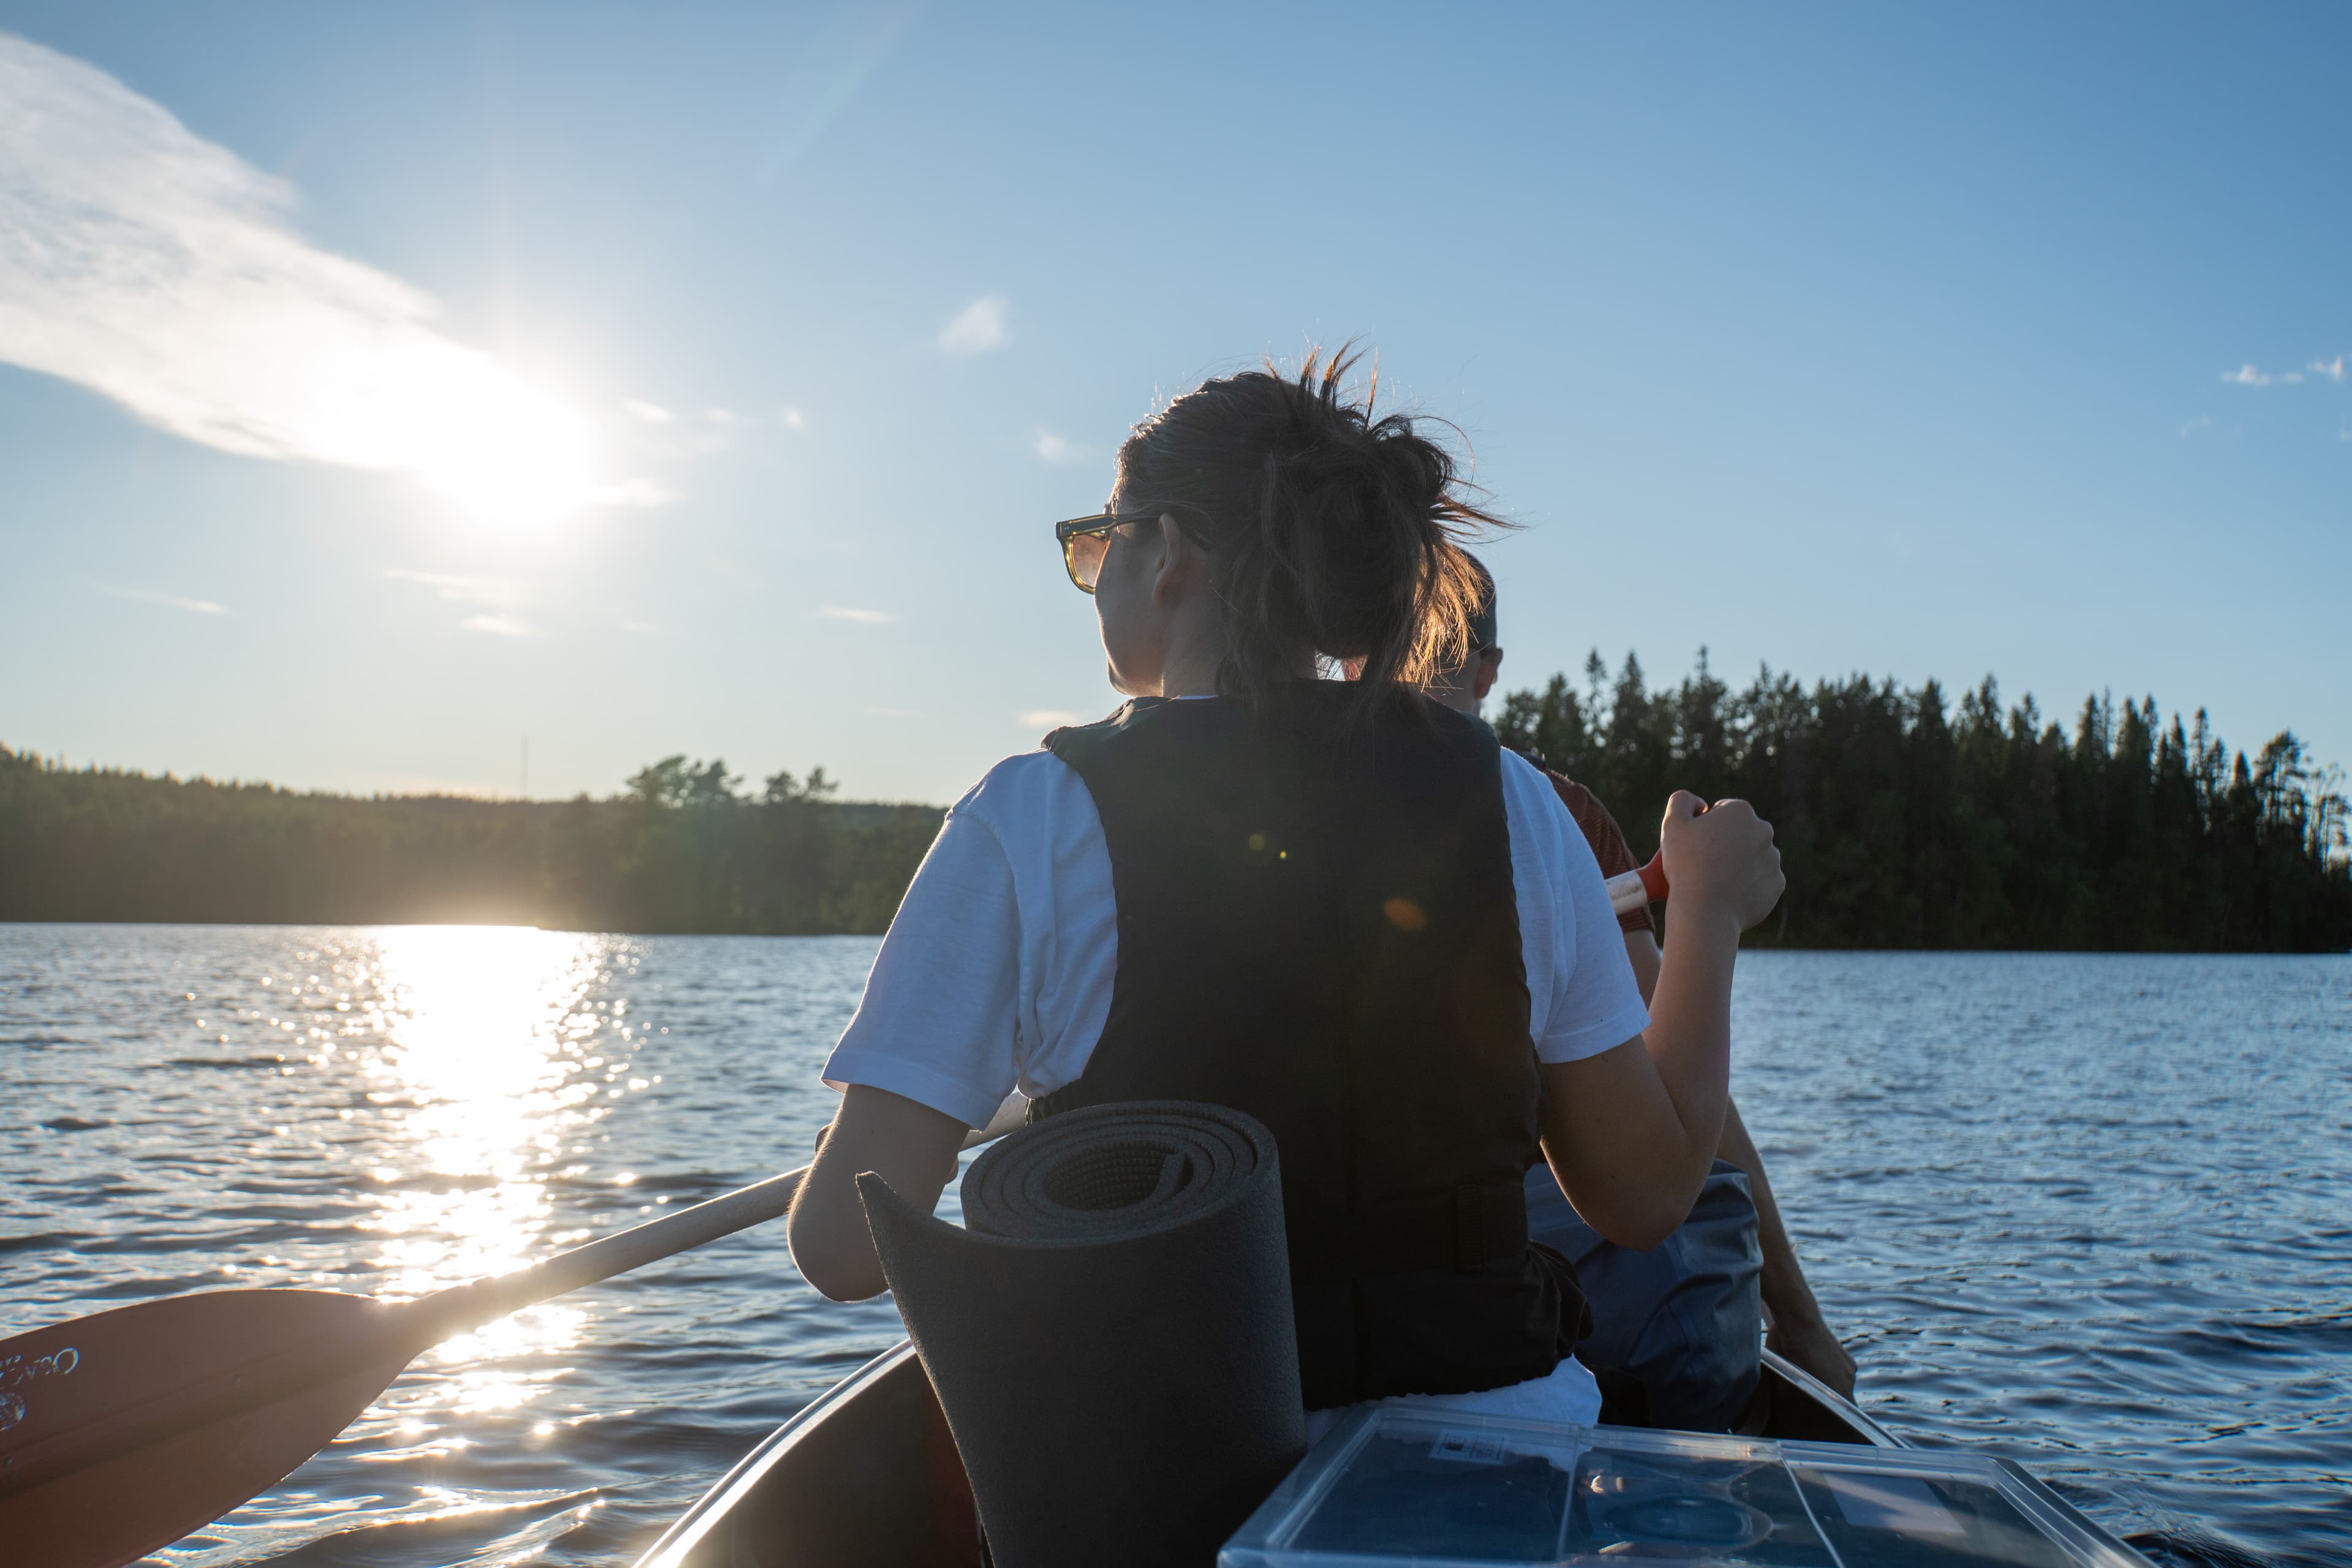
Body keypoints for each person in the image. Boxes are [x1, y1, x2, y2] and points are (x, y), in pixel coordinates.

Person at [786, 350, 1784, 1434]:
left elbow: (843, 1249)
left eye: (1097, 543)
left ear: (1165, 550)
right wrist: (1712, 918)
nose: (1092, 575)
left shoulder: (1030, 815)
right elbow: (1644, 1198)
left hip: (1168, 1475)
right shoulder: (1512, 801)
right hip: (1499, 1458)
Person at [1425, 560, 1857, 1428]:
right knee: (1684, 1263)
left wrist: (1802, 1323)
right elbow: (1668, 1130)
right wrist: (1708, 910)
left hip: (1373, 1303)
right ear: (1488, 670)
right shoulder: (1556, 816)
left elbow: (1670, 1084)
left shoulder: (1268, 810)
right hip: (1539, 1281)